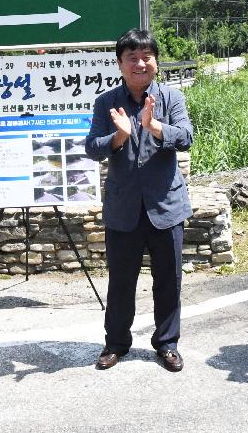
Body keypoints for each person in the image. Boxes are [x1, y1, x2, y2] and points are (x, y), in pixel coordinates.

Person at [85, 28, 194, 372]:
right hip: (123, 209)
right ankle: (116, 343)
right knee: (120, 281)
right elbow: (91, 147)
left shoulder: (171, 99)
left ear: (156, 63)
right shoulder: (106, 103)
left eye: (146, 56)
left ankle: (167, 344)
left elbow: (186, 137)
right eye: (131, 57)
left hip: (166, 206)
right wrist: (119, 135)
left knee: (169, 280)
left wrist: (155, 127)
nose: (140, 63)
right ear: (120, 64)